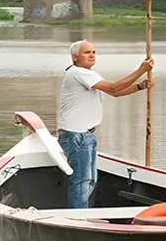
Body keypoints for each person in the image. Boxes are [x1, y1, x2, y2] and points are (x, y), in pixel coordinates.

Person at [56, 40, 153, 209]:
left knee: (90, 180)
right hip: (75, 135)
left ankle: (82, 213)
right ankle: (79, 217)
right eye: (87, 52)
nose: (92, 55)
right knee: (82, 180)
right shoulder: (77, 72)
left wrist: (139, 86)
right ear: (75, 57)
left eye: (94, 52)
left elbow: (115, 93)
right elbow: (113, 88)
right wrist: (141, 70)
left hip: (86, 134)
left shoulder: (89, 74)